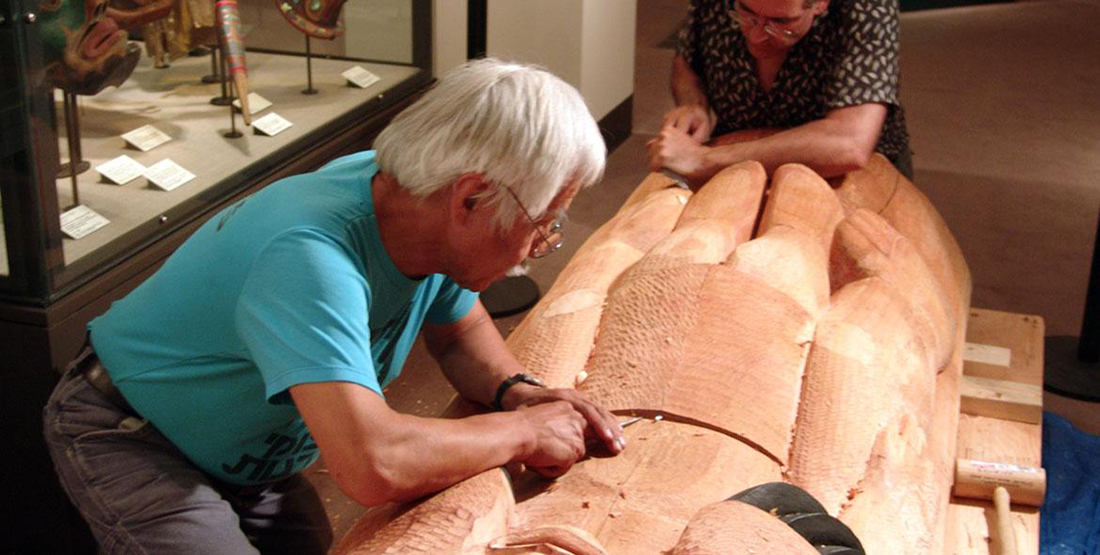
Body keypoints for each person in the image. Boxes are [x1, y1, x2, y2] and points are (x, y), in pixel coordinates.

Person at [43, 58, 625, 555]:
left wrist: (516, 390)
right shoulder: (310, 254)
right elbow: (374, 464)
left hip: (254, 454)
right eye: (543, 222)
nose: (538, 247)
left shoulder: (414, 205)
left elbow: (457, 327)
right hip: (136, 433)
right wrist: (523, 431)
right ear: (470, 197)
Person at [647, 0, 913, 184]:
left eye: (781, 22)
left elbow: (848, 144)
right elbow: (687, 59)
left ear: (821, 4)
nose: (757, 36)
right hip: (735, 150)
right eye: (746, 12)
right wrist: (694, 104)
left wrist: (704, 159)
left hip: (843, 173)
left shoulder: (867, 6)